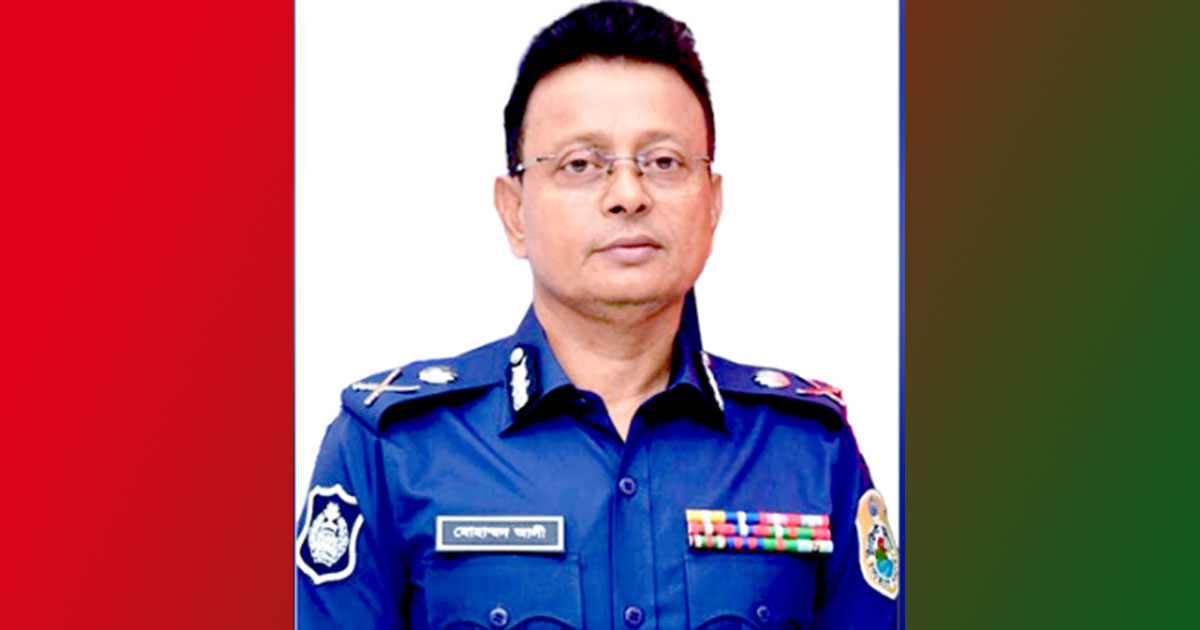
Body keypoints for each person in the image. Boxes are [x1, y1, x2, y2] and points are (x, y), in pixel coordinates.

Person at [296, 2, 899, 628]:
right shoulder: (395, 447)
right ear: (513, 212)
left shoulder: (807, 449)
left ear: (713, 205)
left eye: (664, 162)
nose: (628, 195)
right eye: (581, 165)